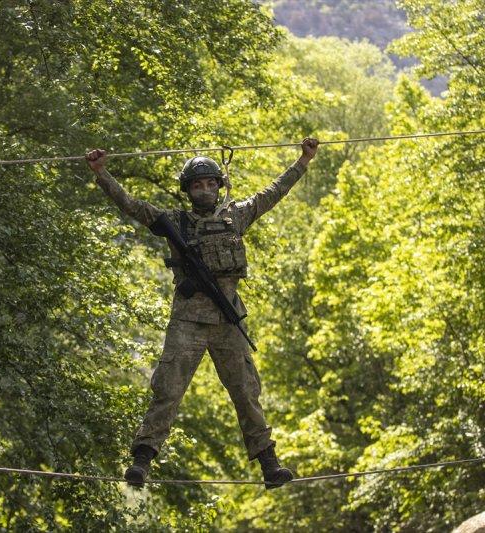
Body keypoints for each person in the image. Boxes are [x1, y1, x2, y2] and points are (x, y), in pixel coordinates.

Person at [86, 138, 319, 489]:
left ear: (219, 186)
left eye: (211, 183)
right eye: (198, 185)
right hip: (188, 321)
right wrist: (102, 174)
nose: (206, 190)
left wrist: (303, 161)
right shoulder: (174, 223)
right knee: (168, 390)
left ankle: (270, 465)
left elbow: (274, 192)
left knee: (246, 392)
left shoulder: (236, 216)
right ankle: (142, 460)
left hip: (228, 321)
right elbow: (132, 206)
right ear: (188, 190)